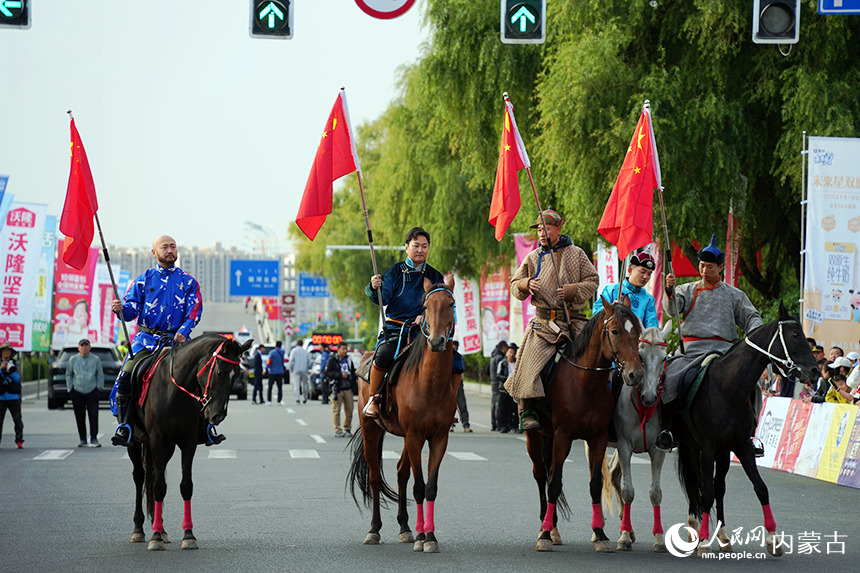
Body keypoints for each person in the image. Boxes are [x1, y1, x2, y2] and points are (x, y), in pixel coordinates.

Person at [656, 234, 764, 454]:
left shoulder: (735, 295)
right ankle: (668, 429)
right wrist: (669, 291)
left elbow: (752, 317)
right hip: (691, 352)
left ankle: (751, 434)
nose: (704, 270)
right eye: (702, 265)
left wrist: (754, 333)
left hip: (725, 352)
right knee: (670, 379)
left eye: (710, 267)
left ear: (721, 267)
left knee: (753, 386)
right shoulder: (686, 289)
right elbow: (672, 310)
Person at [109, 235, 213, 446]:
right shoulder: (143, 280)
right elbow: (131, 311)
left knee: (203, 376)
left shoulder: (188, 281)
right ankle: (126, 425)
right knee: (127, 374)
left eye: (173, 246)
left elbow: (194, 311)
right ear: (154, 252)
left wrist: (184, 330)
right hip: (146, 342)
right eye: (164, 247)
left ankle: (205, 426)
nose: (170, 250)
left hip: (178, 342)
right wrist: (121, 309)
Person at [503, 209, 599, 431]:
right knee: (530, 360)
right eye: (538, 229)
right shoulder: (533, 257)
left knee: (601, 354)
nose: (542, 233)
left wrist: (573, 290)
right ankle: (526, 410)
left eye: (546, 228)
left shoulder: (577, 253)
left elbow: (593, 280)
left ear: (559, 227)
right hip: (544, 324)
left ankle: (605, 407)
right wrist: (526, 284)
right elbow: (514, 284)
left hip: (574, 321)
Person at [363, 226, 445, 419]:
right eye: (416, 245)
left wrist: (425, 317)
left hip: (424, 331)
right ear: (406, 247)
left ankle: (447, 405)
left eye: (424, 246)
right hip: (396, 329)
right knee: (383, 355)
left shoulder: (435, 276)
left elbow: (440, 304)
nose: (420, 250)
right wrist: (374, 288)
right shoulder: (395, 272)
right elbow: (384, 297)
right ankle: (373, 399)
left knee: (455, 361)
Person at [592, 250, 659, 329]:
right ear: (630, 270)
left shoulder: (648, 299)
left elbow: (652, 326)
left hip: (637, 340)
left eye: (649, 274)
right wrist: (611, 309)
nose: (646, 277)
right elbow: (596, 312)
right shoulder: (611, 290)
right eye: (642, 272)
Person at [65, 339, 102, 447]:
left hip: (92, 391)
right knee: (80, 417)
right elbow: (69, 374)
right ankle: (83, 439)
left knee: (93, 415)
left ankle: (94, 438)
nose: (84, 348)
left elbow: (99, 374)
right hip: (77, 391)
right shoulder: (73, 359)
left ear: (90, 347)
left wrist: (98, 388)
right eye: (82, 346)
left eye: (86, 345)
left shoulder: (95, 359)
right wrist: (70, 388)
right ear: (79, 348)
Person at [326, 342, 356, 437]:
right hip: (337, 388)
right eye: (343, 349)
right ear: (338, 349)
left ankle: (347, 428)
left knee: (349, 410)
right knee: (336, 410)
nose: (345, 351)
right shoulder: (332, 359)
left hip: (348, 388)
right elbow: (328, 372)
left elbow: (353, 371)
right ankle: (338, 430)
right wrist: (340, 375)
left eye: (346, 349)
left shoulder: (349, 360)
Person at [0, 342, 24, 449]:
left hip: (13, 397)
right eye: (4, 350)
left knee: (17, 420)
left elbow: (18, 379)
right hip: (1, 397)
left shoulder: (15, 363)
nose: (6, 352)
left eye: (8, 351)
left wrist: (11, 371)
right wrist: (1, 369)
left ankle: (19, 440)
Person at [497, 343, 518, 433]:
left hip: (515, 389)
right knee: (503, 408)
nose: (511, 354)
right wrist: (507, 380)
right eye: (510, 352)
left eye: (513, 352)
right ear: (507, 353)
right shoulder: (502, 363)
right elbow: (498, 375)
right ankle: (503, 426)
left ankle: (515, 426)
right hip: (504, 389)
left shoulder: (518, 363)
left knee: (515, 408)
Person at [488, 340, 509, 431]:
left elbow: (487, 370)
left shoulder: (493, 357)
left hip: (493, 382)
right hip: (498, 383)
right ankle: (498, 423)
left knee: (494, 403)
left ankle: (494, 424)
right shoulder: (500, 358)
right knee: (498, 404)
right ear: (503, 348)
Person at [451, 340, 470, 433]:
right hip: (448, 385)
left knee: (462, 405)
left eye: (456, 347)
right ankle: (450, 425)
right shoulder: (446, 358)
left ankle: (466, 425)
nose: (454, 349)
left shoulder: (459, 358)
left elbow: (463, 369)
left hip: (459, 384)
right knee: (449, 406)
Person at [289, 339, 310, 404]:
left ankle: (297, 398)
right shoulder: (305, 351)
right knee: (304, 384)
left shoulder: (294, 351)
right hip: (304, 369)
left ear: (297, 344)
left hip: (296, 369)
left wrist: (291, 369)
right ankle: (305, 397)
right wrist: (307, 368)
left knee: (296, 384)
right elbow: (308, 361)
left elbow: (291, 361)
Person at [267, 341, 286, 405]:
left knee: (270, 387)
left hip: (272, 372)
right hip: (280, 372)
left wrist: (266, 368)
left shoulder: (272, 353)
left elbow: (269, 362)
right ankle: (279, 401)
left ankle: (269, 401)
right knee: (279, 387)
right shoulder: (282, 352)